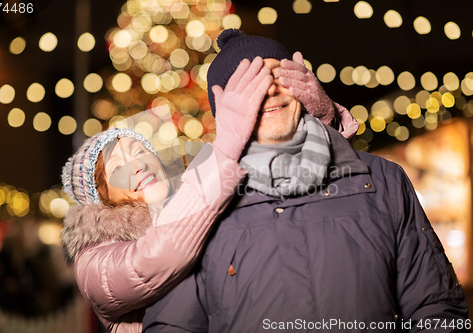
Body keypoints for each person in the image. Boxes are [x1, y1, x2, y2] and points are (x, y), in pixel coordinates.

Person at [142, 29, 469, 332]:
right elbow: (173, 324)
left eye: (277, 74)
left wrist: (329, 119)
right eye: (250, 84)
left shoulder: (382, 179)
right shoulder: (198, 206)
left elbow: (436, 305)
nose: (269, 89)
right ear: (225, 109)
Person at [60, 55, 275, 333]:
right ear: (102, 197)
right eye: (117, 167)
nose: (137, 165)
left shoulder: (198, 202)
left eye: (140, 152)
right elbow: (157, 255)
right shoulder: (92, 261)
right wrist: (225, 146)